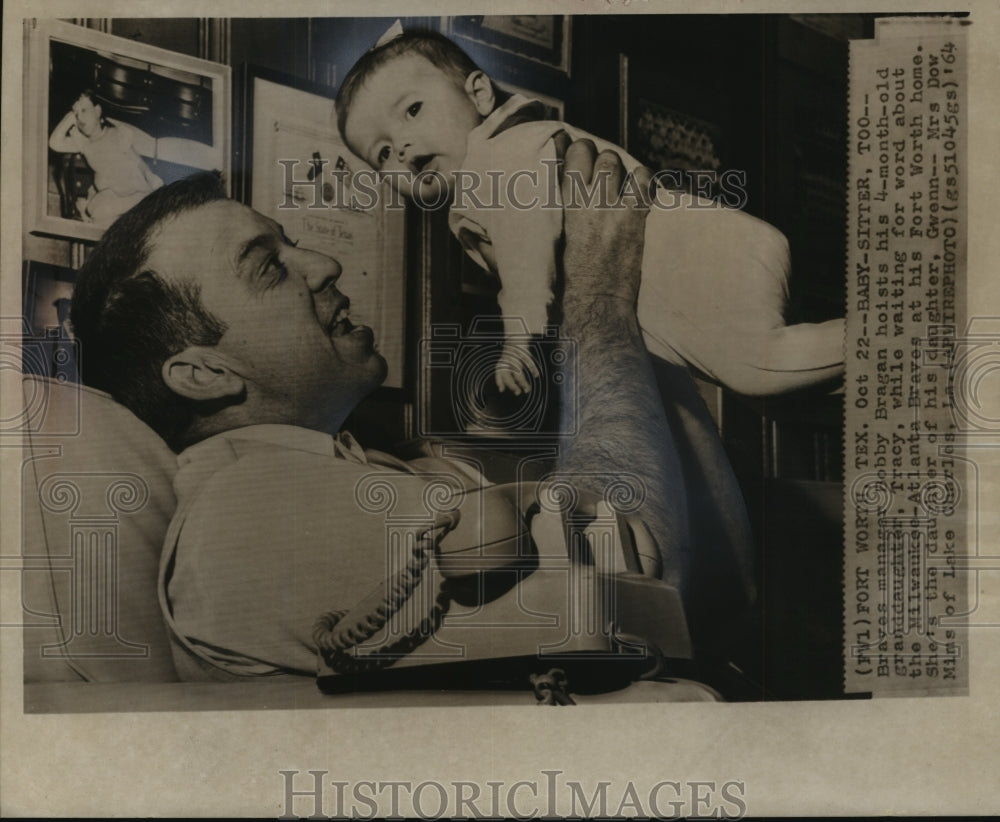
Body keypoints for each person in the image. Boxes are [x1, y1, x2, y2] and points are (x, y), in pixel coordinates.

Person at [69, 140, 745, 680]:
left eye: (291, 242)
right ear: (203, 373)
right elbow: (651, 589)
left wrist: (634, 303)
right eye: (268, 267)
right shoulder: (250, 505)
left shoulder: (355, 473)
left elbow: (716, 588)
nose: (325, 262)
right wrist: (597, 292)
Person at [336, 29, 845, 396]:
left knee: (756, 367)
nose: (400, 146)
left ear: (479, 93)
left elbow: (527, 256)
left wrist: (518, 339)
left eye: (412, 110)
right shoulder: (480, 182)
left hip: (711, 256)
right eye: (380, 153)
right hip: (684, 289)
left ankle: (897, 333)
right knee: (785, 374)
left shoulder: (503, 157)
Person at [49, 90, 164, 226]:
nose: (79, 117)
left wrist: (151, 179)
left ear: (97, 111)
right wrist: (70, 117)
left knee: (101, 212)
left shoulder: (116, 134)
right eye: (76, 113)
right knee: (98, 211)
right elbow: (54, 143)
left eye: (84, 110)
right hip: (110, 199)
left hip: (135, 193)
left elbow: (138, 163)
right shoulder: (83, 143)